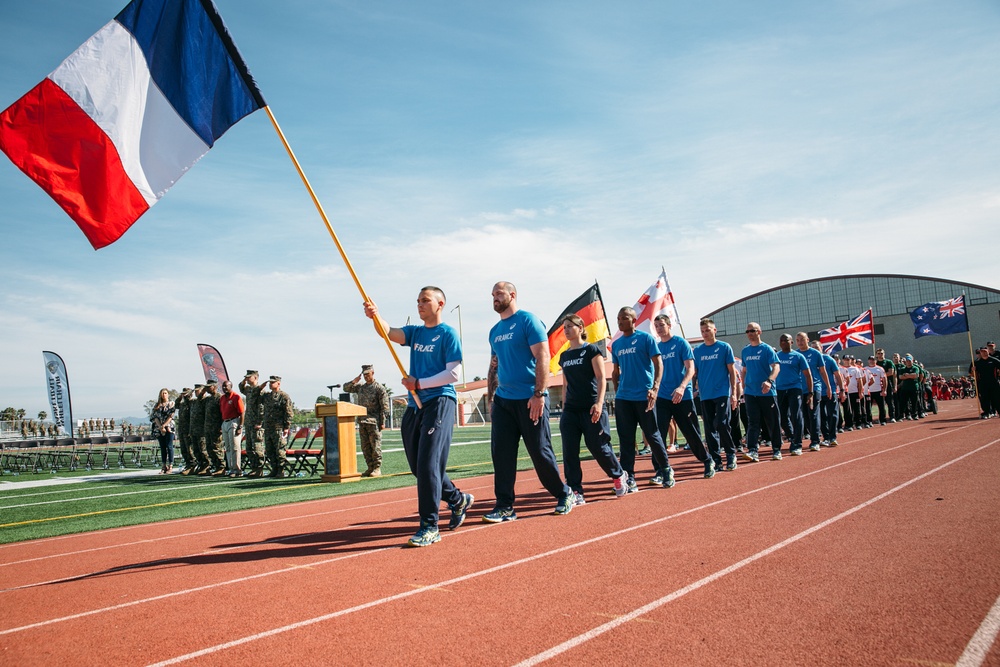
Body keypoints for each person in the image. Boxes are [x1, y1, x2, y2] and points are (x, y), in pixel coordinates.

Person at [363, 286, 474, 547]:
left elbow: (454, 374)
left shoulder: (448, 334)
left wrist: (419, 384)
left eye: (425, 300)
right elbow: (389, 333)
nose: (420, 305)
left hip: (439, 402)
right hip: (416, 405)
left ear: (440, 303)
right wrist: (375, 316)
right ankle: (458, 499)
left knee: (427, 466)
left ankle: (429, 525)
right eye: (418, 301)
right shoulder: (416, 333)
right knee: (418, 467)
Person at [485, 281, 573, 522]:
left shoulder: (528, 321)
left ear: (512, 295)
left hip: (529, 399)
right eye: (492, 294)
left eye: (499, 293)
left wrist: (539, 394)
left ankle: (564, 493)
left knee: (540, 453)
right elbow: (494, 366)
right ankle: (504, 506)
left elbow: (543, 356)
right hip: (504, 401)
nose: (494, 298)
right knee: (501, 455)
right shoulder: (494, 331)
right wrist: (491, 398)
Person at [557, 314, 627, 503]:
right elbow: (565, 385)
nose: (566, 330)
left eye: (570, 326)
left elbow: (600, 378)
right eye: (564, 327)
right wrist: (564, 408)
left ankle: (618, 474)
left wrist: (598, 402)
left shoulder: (592, 351)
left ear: (581, 328)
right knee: (569, 451)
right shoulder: (564, 356)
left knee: (599, 446)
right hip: (571, 410)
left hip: (591, 407)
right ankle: (576, 490)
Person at [612, 306, 675, 490]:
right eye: (618, 318)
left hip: (644, 396)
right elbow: (615, 371)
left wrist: (655, 388)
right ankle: (629, 476)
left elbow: (658, 363)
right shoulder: (616, 344)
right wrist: (617, 390)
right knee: (626, 439)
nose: (620, 321)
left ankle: (665, 469)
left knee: (652, 435)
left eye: (624, 318)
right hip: (624, 398)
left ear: (633, 320)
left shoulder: (646, 339)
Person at [653, 314, 714, 478]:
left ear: (669, 325)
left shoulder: (681, 343)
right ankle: (660, 469)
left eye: (661, 325)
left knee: (691, 432)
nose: (659, 328)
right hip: (663, 397)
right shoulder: (657, 347)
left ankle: (707, 460)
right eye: (656, 326)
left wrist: (681, 387)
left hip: (682, 396)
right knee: (658, 434)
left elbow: (690, 369)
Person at [693, 318, 740, 471]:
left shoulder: (724, 347)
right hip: (705, 395)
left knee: (721, 423)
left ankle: (731, 453)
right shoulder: (698, 351)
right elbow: (695, 373)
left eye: (707, 330)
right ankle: (716, 459)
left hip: (721, 393)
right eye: (702, 331)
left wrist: (733, 394)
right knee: (709, 428)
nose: (705, 333)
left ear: (714, 330)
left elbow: (732, 372)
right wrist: (694, 388)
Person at [740, 322, 782, 461]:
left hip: (767, 392)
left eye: (752, 330)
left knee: (772, 421)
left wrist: (769, 381)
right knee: (753, 422)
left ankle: (776, 449)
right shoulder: (745, 351)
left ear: (759, 332)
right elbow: (744, 370)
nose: (749, 333)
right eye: (747, 331)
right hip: (751, 393)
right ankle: (752, 450)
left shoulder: (767, 349)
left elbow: (776, 367)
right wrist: (743, 386)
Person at [344, 364, 390, 477]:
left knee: (375, 446)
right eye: (364, 375)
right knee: (365, 447)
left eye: (368, 374)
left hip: (374, 422)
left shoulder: (379, 388)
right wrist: (354, 381)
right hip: (362, 421)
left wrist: (383, 422)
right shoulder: (361, 387)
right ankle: (370, 467)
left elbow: (385, 407)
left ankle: (377, 468)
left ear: (373, 373)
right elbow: (346, 388)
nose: (366, 377)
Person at [775, 334, 811, 456]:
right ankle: (792, 436)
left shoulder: (798, 356)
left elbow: (808, 375)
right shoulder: (777, 356)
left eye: (786, 340)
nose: (784, 342)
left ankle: (797, 443)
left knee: (796, 415)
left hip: (794, 388)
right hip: (779, 390)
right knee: (782, 417)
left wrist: (810, 392)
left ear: (791, 342)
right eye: (781, 340)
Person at [261, 375, 294, 477]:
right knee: (270, 450)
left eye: (272, 382)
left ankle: (281, 470)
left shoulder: (283, 396)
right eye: (270, 383)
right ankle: (274, 469)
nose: (270, 384)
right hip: (268, 427)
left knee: (280, 450)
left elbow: (289, 413)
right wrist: (260, 387)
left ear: (278, 383)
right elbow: (254, 398)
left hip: (278, 427)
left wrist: (286, 427)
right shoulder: (267, 396)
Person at [239, 370, 266, 477]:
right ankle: (254, 468)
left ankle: (259, 469)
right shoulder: (249, 389)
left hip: (256, 423)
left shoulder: (260, 391)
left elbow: (261, 408)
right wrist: (244, 380)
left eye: (249, 377)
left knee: (257, 447)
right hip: (249, 422)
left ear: (255, 378)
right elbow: (241, 388)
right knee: (249, 447)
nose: (247, 379)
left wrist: (260, 422)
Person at [219, 380, 245, 477]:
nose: (224, 388)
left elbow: (242, 412)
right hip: (225, 422)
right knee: (228, 447)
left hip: (234, 422)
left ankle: (237, 469)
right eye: (223, 386)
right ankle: (231, 468)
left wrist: (240, 426)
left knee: (235, 447)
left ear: (231, 386)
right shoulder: (222, 398)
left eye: (226, 386)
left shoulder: (236, 397)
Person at [201, 380, 226, 476]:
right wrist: (202, 392)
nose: (207, 389)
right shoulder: (208, 399)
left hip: (216, 427)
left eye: (209, 387)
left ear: (214, 387)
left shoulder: (219, 398)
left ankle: (221, 467)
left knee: (217, 448)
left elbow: (223, 412)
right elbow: (199, 401)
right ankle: (215, 466)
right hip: (208, 427)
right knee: (209, 448)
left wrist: (221, 425)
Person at [150, 388, 175, 474]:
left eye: (165, 393)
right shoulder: (157, 405)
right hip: (159, 428)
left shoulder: (171, 404)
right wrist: (160, 427)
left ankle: (171, 465)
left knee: (169, 446)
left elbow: (171, 415)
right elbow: (155, 417)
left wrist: (164, 425)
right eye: (162, 393)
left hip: (169, 427)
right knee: (162, 447)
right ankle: (164, 465)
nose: (164, 395)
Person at [185, 384, 209, 475]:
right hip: (194, 430)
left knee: (203, 450)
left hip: (202, 430)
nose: (196, 392)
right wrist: (190, 391)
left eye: (197, 390)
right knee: (196, 450)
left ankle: (207, 466)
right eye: (195, 391)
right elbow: (186, 399)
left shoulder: (205, 400)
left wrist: (203, 392)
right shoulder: (194, 401)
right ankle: (200, 465)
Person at [972, 347, 1000, 418]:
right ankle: (987, 412)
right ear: (980, 353)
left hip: (994, 382)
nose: (984, 353)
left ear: (988, 351)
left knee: (996, 398)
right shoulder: (977, 363)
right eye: (982, 352)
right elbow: (973, 374)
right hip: (983, 383)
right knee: (985, 399)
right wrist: (973, 370)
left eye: (985, 351)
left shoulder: (994, 360)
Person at [875, 349, 897, 423]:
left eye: (881, 353)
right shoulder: (876, 363)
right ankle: (882, 417)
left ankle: (892, 416)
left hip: (888, 384)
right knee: (881, 402)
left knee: (889, 401)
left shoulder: (888, 362)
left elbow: (891, 373)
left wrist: (881, 376)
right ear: (876, 355)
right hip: (878, 385)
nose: (880, 355)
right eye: (879, 353)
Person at [175, 387, 194, 471]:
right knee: (183, 449)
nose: (185, 396)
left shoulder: (192, 403)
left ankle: (192, 464)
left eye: (186, 394)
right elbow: (176, 405)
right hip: (182, 429)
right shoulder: (182, 404)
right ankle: (188, 464)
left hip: (188, 429)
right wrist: (180, 397)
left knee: (189, 449)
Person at [866, 356, 888, 425]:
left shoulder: (880, 369)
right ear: (868, 361)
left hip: (878, 390)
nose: (871, 361)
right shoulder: (865, 369)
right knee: (868, 407)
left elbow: (884, 380)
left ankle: (882, 420)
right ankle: (869, 421)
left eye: (873, 360)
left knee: (881, 406)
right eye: (870, 360)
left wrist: (884, 390)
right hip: (869, 391)